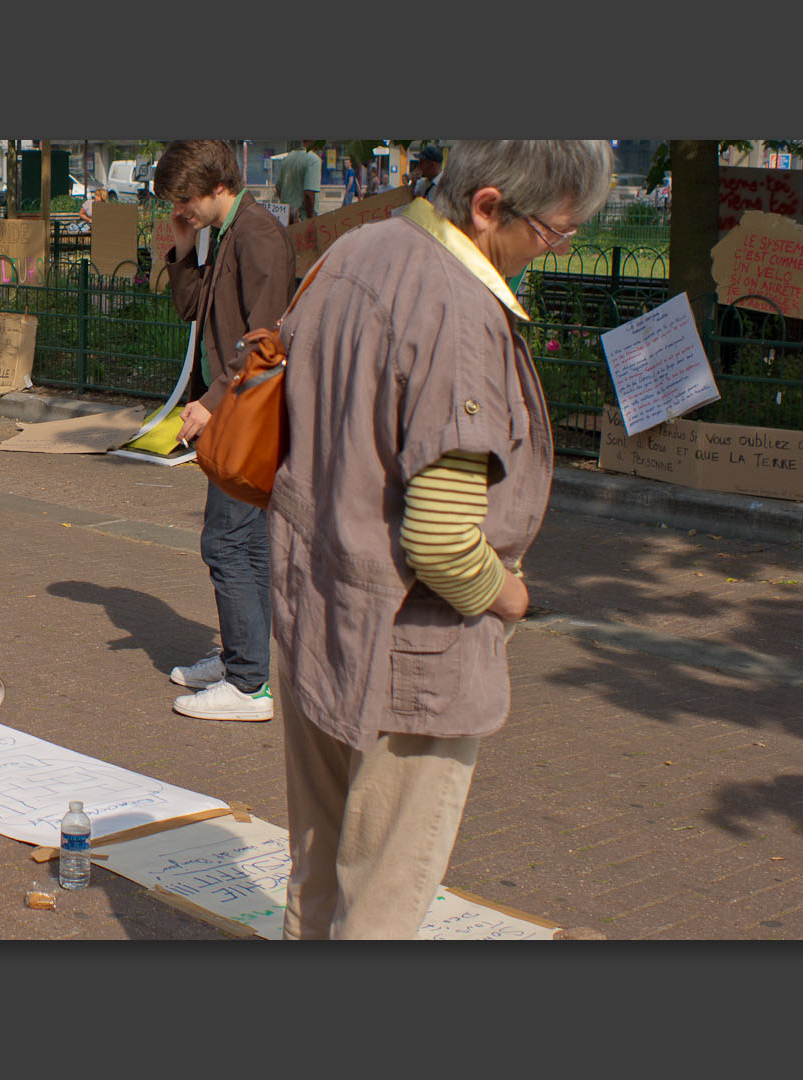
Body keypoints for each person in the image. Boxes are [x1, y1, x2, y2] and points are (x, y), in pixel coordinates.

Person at [266, 140, 612, 938]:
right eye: (553, 234)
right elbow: (443, 539)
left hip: (316, 607)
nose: (550, 253)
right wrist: (512, 596)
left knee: (316, 877)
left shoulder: (358, 248)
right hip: (409, 656)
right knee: (380, 903)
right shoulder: (456, 311)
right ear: (489, 208)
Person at [155, 139, 296, 722]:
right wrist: (185, 248)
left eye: (186, 200)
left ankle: (248, 684)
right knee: (248, 544)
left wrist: (213, 402)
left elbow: (265, 339)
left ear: (216, 186)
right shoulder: (229, 231)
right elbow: (192, 310)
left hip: (247, 414)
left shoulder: (258, 235)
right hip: (235, 409)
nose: (182, 209)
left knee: (227, 542)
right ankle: (245, 658)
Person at [271, 145, 322, 222]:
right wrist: (311, 219)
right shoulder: (313, 159)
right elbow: (309, 193)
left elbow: (278, 187)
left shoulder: (288, 158)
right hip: (302, 217)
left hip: (286, 216)